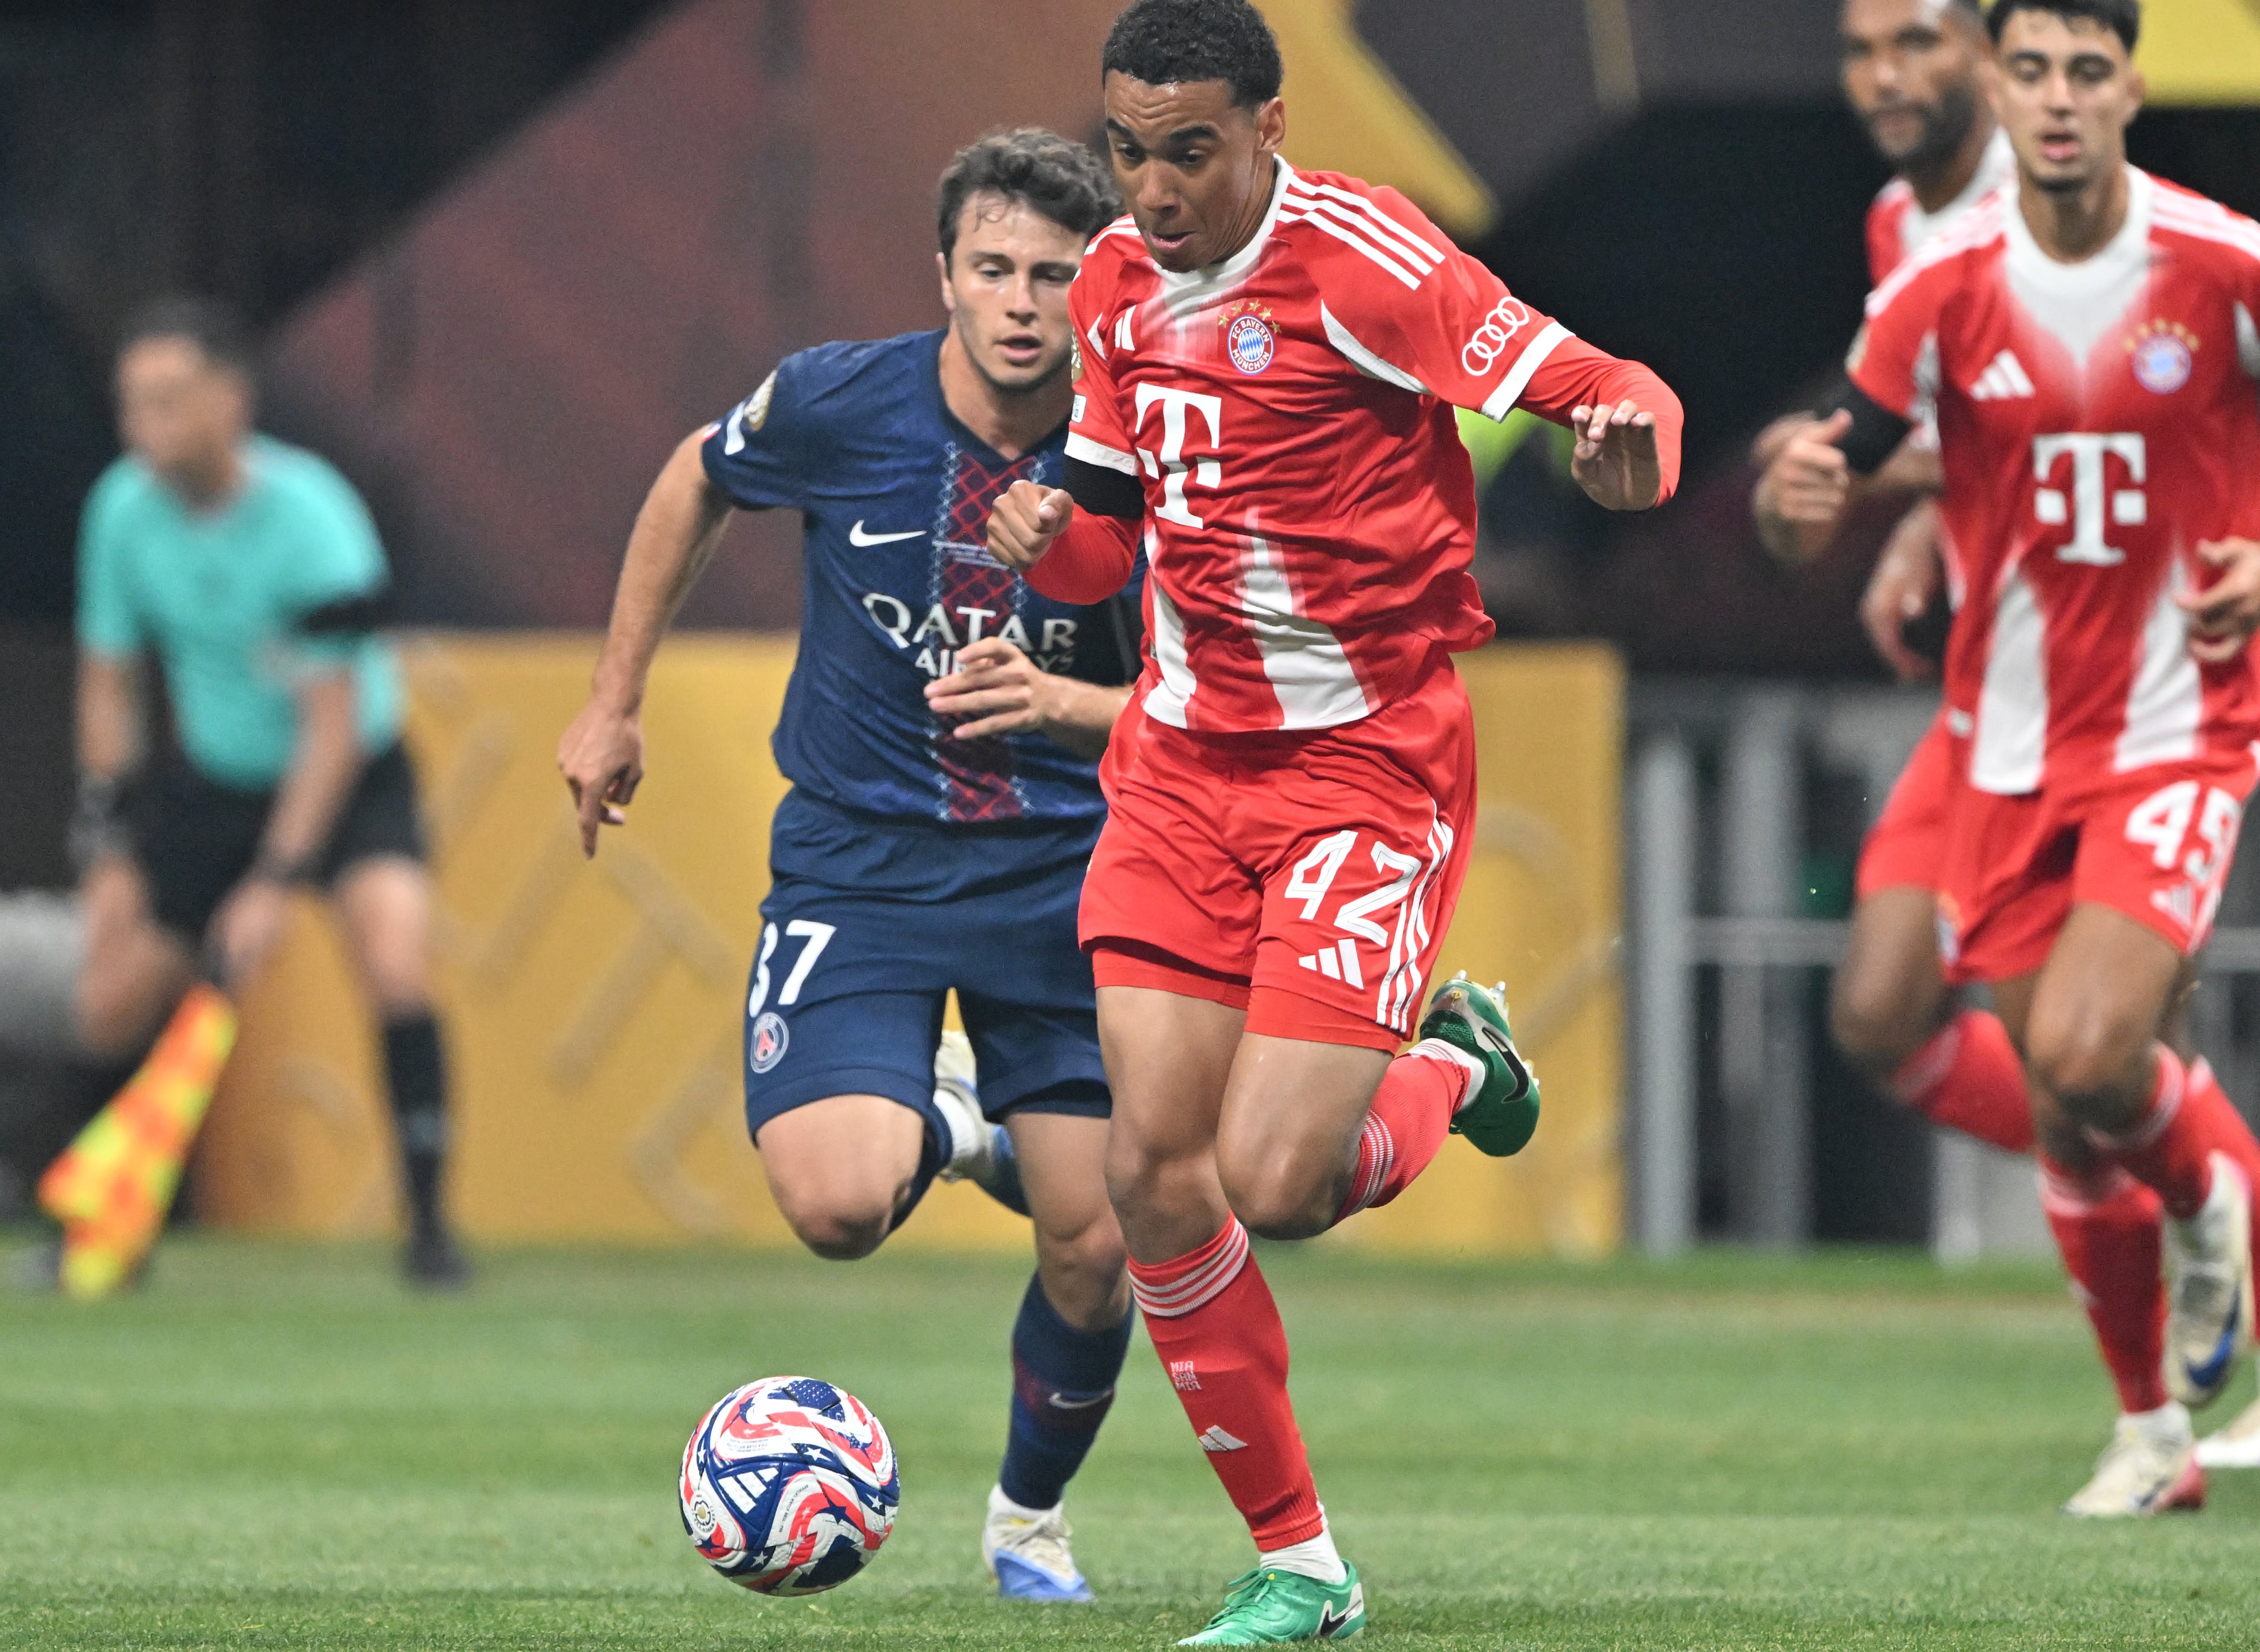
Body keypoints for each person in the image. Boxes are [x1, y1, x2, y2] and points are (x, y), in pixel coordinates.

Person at [984, 2, 1680, 1639]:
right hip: (1176, 764)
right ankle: (1301, 1565)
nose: (1151, 192)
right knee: (1158, 1176)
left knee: (1279, 1180)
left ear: (1270, 131)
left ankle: (1458, 1064)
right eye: (1128, 152)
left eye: (1189, 153)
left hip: (1364, 766)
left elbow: (1601, 382)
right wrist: (1047, 544)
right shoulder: (1109, 291)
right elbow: (1103, 548)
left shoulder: (1368, 261)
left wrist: (1628, 446)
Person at [556, 129, 1140, 1603]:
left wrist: (1075, 700)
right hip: (860, 863)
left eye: (1057, 277)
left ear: (1103, 284)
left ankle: (1027, 1524)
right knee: (833, 1210)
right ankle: (944, 1121)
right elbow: (698, 475)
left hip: (1066, 870)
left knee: (1099, 1243)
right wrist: (613, 699)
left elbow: (1218, 693)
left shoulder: (1149, 445)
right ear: (942, 272)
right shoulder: (837, 400)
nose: (1022, 303)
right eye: (995, 269)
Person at [1762, 0, 2260, 1514]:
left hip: (2181, 727)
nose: (2055, 102)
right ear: (2003, 80)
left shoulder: (2218, 261)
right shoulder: (1934, 282)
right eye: (2030, 71)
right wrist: (1798, 501)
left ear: (2131, 89)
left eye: (2084, 73)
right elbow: (1826, 480)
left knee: (2088, 1054)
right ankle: (2151, 1425)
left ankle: (2212, 1196)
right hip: (2004, 740)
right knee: (2061, 1092)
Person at [68, 296, 467, 1287]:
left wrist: (278, 880)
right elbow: (109, 682)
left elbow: (331, 723)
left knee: (397, 954)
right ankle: (107, 1229)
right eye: (131, 405)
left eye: (167, 402)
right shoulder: (120, 510)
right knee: (113, 998)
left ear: (229, 402)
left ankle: (428, 1232)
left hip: (352, 775)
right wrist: (108, 844)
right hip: (217, 781)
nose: (143, 429)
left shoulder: (313, 516)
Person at [1755, 0, 2040, 1173]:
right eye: (1864, 52)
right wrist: (1930, 514)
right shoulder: (1896, 223)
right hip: (1991, 670)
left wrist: (1843, 463)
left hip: (2114, 670)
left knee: (2085, 1042)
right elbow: (1963, 413)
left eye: (1916, 43)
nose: (1885, 75)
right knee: (1879, 1010)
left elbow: (2059, 426)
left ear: (1983, 51)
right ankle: (2164, 1166)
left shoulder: (2053, 211)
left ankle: (2169, 1180)